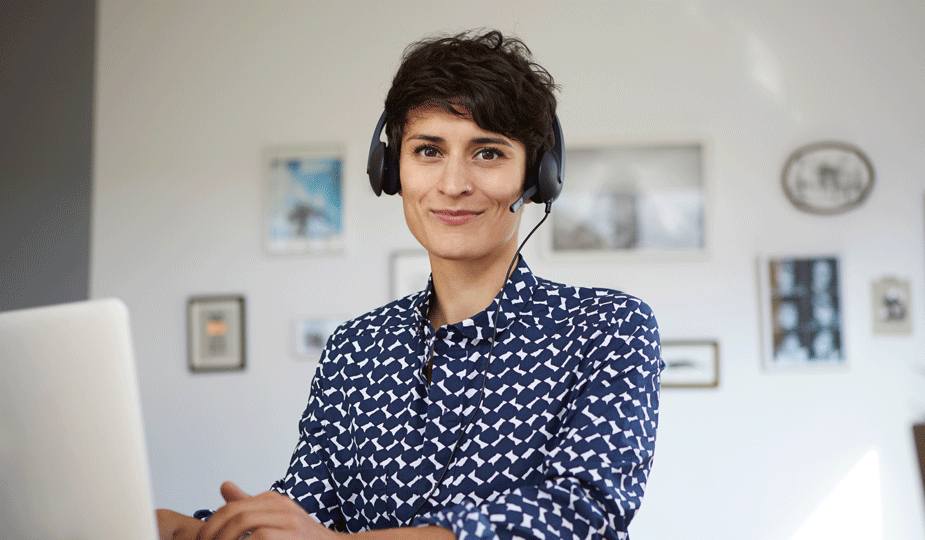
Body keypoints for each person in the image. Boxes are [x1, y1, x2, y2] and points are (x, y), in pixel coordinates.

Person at [157, 29, 662, 540]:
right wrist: (185, 528)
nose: (453, 184)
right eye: (428, 151)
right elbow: (306, 516)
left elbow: (578, 513)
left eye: (487, 153)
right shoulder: (355, 349)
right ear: (392, 168)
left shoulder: (608, 328)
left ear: (538, 177)